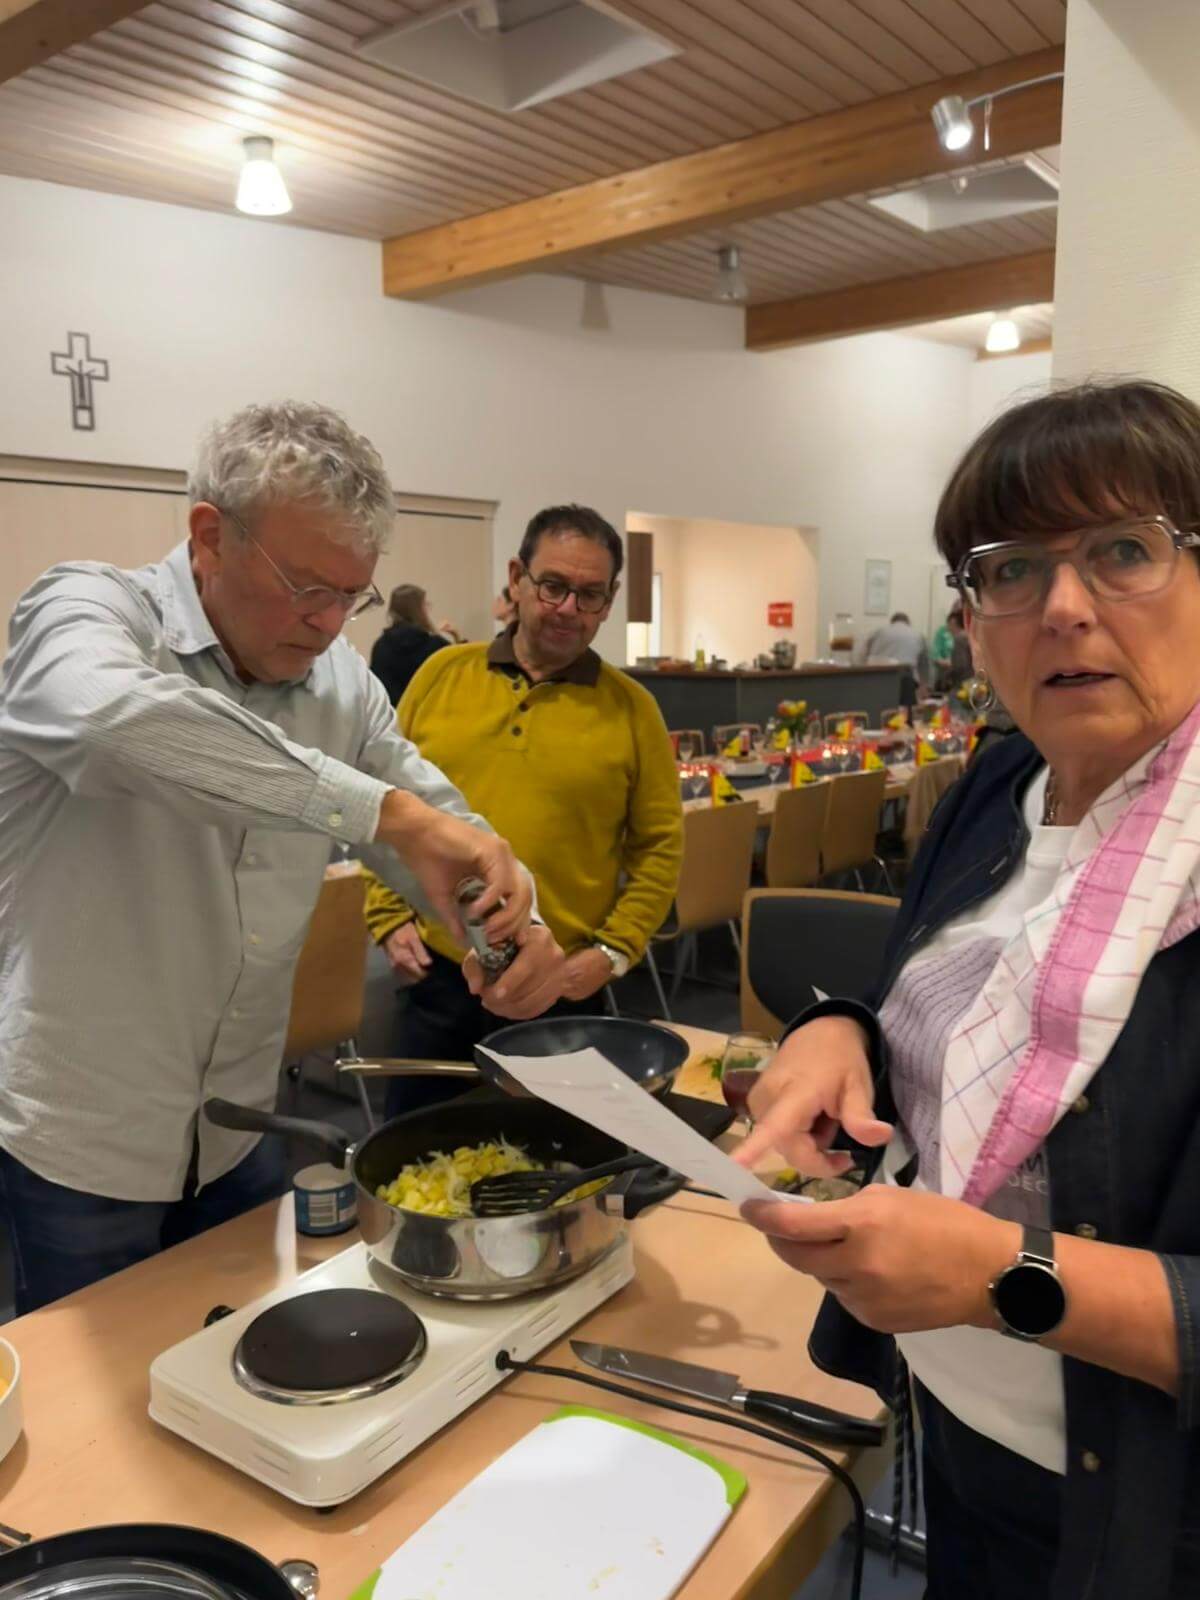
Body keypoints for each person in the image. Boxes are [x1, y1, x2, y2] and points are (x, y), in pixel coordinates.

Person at [736, 379, 1200, 1597]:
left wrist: (1003, 1276)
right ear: (974, 621)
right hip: (951, 1416)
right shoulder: (998, 787)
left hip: (1140, 1512)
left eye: (1124, 551)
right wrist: (837, 1029)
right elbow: (923, 999)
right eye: (1012, 569)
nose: (1064, 607)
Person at [0, 400, 563, 1314]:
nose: (330, 622)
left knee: (237, 1368)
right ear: (210, 536)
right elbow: (110, 724)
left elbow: (442, 829)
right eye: (306, 587)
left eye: (353, 595)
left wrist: (509, 923)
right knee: (92, 1397)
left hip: (239, 1125)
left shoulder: (339, 683)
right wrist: (379, 811)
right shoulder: (86, 611)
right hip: (86, 1143)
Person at [363, 503, 683, 1117]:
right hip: (439, 973)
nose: (568, 608)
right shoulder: (440, 674)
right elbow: (385, 801)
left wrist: (612, 953)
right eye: (553, 585)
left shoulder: (633, 711)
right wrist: (387, 915)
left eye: (590, 595)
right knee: (418, 1150)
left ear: (610, 602)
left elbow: (660, 849)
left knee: (558, 1158)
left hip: (561, 985)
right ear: (517, 578)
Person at [369, 583, 449, 705]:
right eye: (425, 605)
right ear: (418, 610)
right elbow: (459, 674)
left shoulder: (380, 647)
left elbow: (377, 690)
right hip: (429, 714)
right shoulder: (435, 646)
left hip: (393, 714)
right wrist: (457, 638)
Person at [864, 611, 930, 707]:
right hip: (906, 681)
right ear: (908, 623)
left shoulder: (879, 631)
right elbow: (924, 664)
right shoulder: (918, 634)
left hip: (879, 679)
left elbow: (865, 653)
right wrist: (924, 687)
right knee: (906, 712)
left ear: (892, 622)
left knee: (881, 709)